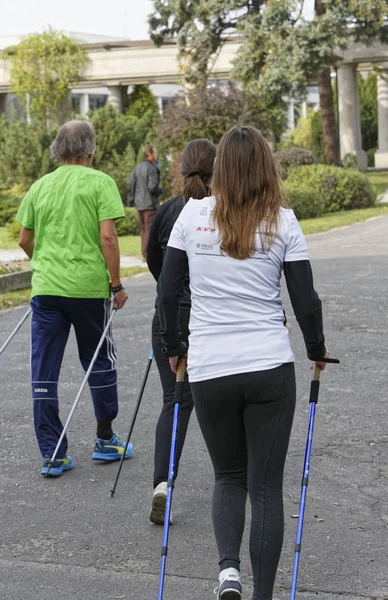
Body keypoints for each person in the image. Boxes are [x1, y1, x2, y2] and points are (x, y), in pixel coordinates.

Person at [157, 125, 330, 600]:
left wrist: (175, 347)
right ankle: (261, 596)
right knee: (266, 487)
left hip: (211, 367)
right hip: (269, 366)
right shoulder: (284, 221)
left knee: (228, 476)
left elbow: (168, 292)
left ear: (221, 170)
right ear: (265, 167)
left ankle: (228, 573)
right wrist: (316, 349)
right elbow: (305, 300)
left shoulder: (191, 216)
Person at [16, 120, 133, 477]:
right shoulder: (100, 182)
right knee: (99, 360)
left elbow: (24, 240)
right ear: (90, 151)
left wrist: (46, 265)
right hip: (87, 289)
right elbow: (109, 238)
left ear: (58, 149)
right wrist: (116, 285)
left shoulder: (40, 186)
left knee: (44, 370)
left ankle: (52, 454)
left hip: (47, 290)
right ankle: (105, 438)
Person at [147, 138, 217, 524]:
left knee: (175, 400)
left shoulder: (165, 211)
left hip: (168, 318)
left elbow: (156, 267)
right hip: (207, 319)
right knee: (204, 400)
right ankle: (235, 480)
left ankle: (163, 482)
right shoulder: (221, 212)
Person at [128, 144, 162, 262]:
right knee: (148, 229)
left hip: (139, 203)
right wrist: (160, 191)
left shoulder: (137, 167)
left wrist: (131, 200)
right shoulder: (152, 168)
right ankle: (146, 254)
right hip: (149, 204)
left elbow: (131, 184)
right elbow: (152, 187)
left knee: (143, 229)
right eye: (155, 153)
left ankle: (144, 253)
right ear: (150, 154)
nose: (157, 155)